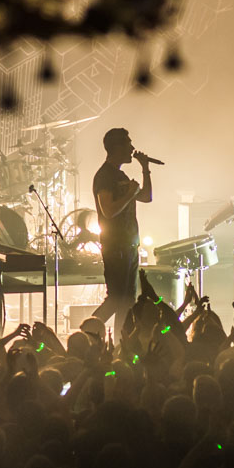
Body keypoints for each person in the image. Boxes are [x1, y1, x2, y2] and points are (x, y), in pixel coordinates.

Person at [91, 127, 153, 324]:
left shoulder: (121, 176)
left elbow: (146, 197)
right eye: (128, 144)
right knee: (116, 300)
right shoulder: (105, 176)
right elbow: (108, 210)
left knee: (127, 302)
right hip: (115, 246)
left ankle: (120, 344)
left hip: (129, 244)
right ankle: (87, 334)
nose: (132, 148)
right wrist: (129, 193)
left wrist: (145, 168)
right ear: (117, 147)